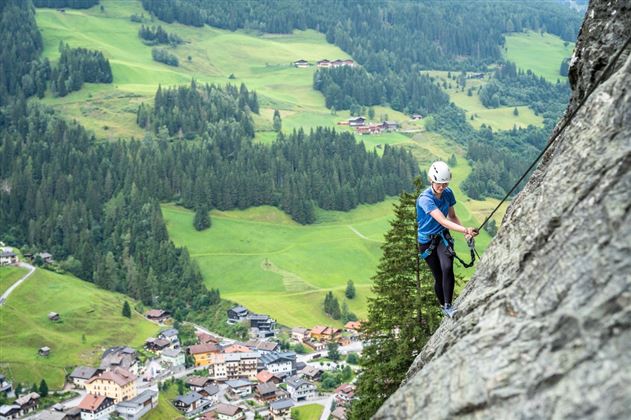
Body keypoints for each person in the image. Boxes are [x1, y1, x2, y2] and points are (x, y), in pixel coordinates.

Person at [416, 161, 478, 318]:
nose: (441, 187)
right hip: (427, 242)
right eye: (439, 183)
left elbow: (452, 216)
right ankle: (443, 306)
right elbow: (442, 220)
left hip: (443, 237)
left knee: (447, 267)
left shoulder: (448, 193)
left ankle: (449, 306)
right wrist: (466, 229)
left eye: (444, 183)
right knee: (438, 275)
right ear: (432, 180)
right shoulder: (425, 199)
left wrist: (466, 234)